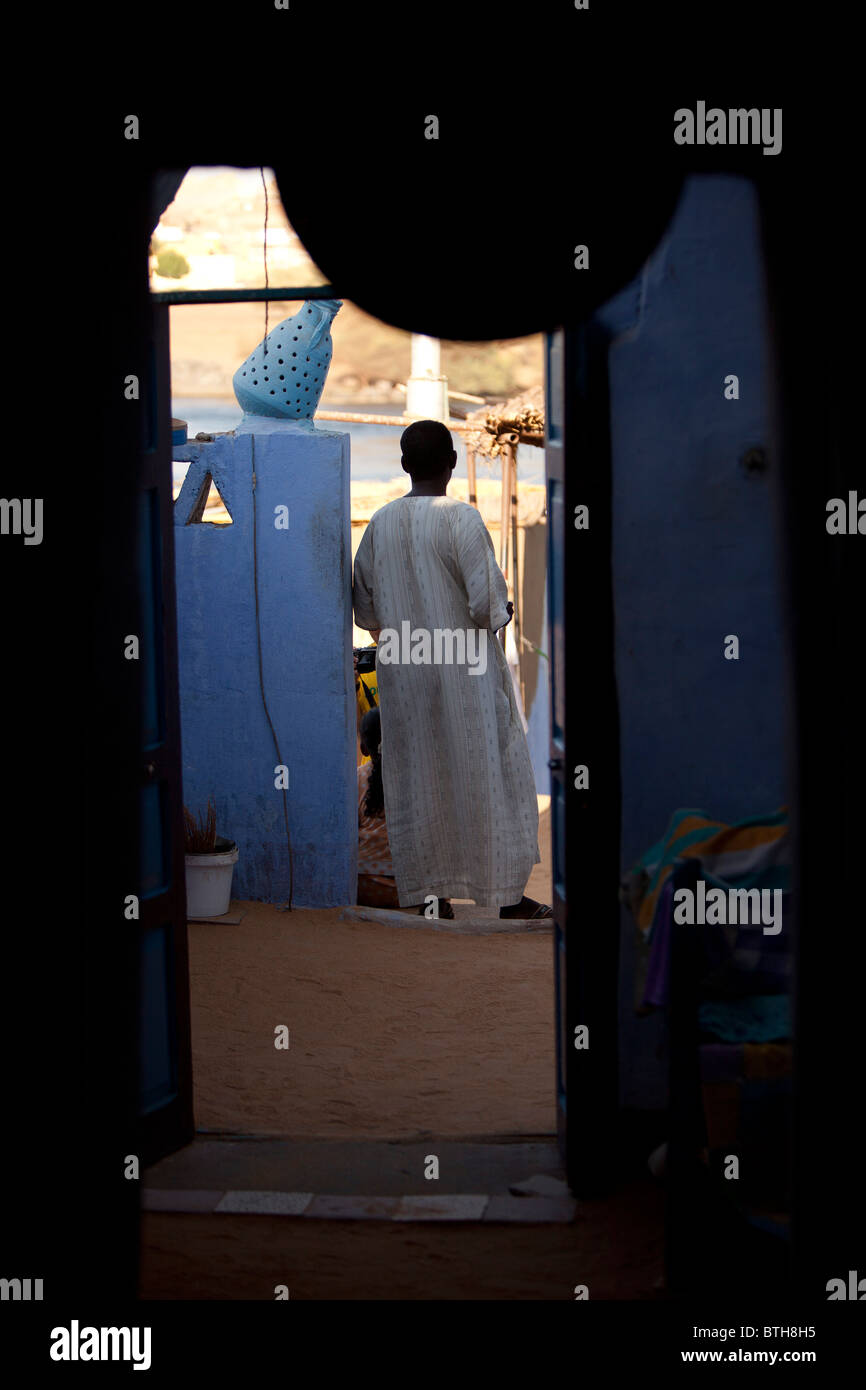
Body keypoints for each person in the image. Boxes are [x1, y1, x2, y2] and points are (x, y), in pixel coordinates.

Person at [352, 419, 551, 919]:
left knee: (417, 780)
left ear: (403, 466)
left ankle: (426, 899)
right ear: (452, 463)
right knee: (490, 776)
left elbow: (366, 613)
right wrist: (502, 614)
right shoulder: (461, 519)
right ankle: (505, 897)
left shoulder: (379, 524)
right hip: (468, 679)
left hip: (407, 674)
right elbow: (488, 607)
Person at [356, 706, 453, 918]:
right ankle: (436, 902)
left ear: (363, 747)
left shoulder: (356, 779)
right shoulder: (423, 779)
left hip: (362, 887)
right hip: (410, 891)